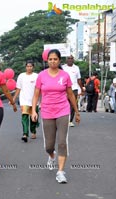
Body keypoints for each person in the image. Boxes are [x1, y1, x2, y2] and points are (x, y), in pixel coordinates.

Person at [31, 49, 80, 184]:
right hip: (47, 111)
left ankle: (60, 172)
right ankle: (51, 156)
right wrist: (34, 111)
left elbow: (70, 94)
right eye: (50, 59)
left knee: (62, 142)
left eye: (55, 59)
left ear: (59, 61)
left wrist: (76, 111)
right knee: (49, 145)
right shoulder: (41, 75)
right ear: (47, 61)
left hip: (63, 111)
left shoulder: (65, 76)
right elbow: (36, 95)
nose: (53, 61)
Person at [12, 60, 39, 142]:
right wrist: (13, 99)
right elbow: (18, 88)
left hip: (34, 101)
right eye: (27, 66)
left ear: (33, 67)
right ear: (25, 67)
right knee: (24, 117)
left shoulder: (36, 76)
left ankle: (33, 131)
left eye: (31, 66)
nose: (29, 68)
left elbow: (39, 89)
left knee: (33, 118)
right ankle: (25, 134)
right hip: (24, 100)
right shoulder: (21, 76)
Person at [62, 55, 84, 127]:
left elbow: (79, 80)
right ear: (66, 60)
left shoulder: (76, 68)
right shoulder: (63, 68)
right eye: (69, 58)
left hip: (74, 89)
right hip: (64, 89)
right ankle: (64, 120)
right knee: (64, 105)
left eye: (72, 58)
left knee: (73, 104)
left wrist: (82, 89)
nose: (70, 60)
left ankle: (70, 121)